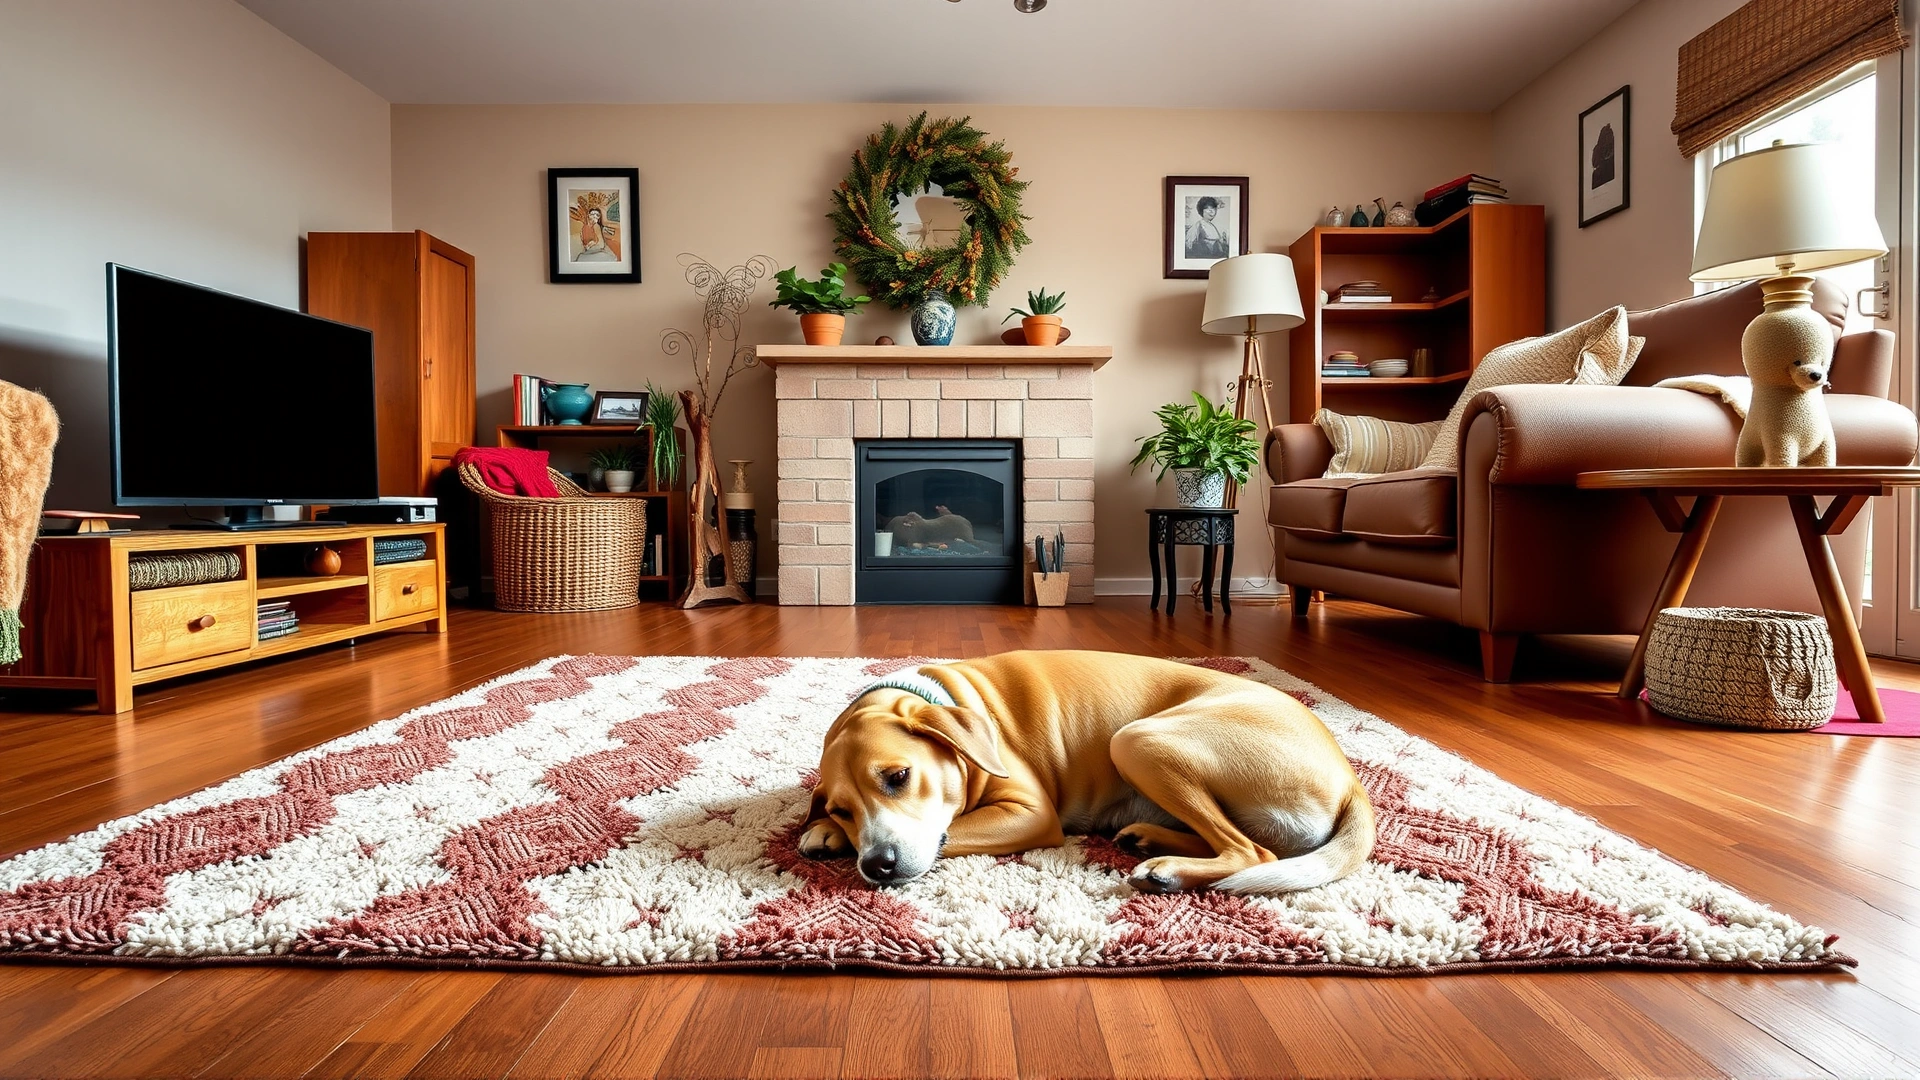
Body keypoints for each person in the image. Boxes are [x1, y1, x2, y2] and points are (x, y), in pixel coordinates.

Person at [1185, 196, 1229, 261]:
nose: (1212, 212)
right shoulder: (1198, 225)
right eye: (1209, 209)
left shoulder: (1212, 226)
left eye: (1214, 209)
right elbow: (1189, 244)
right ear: (1202, 210)